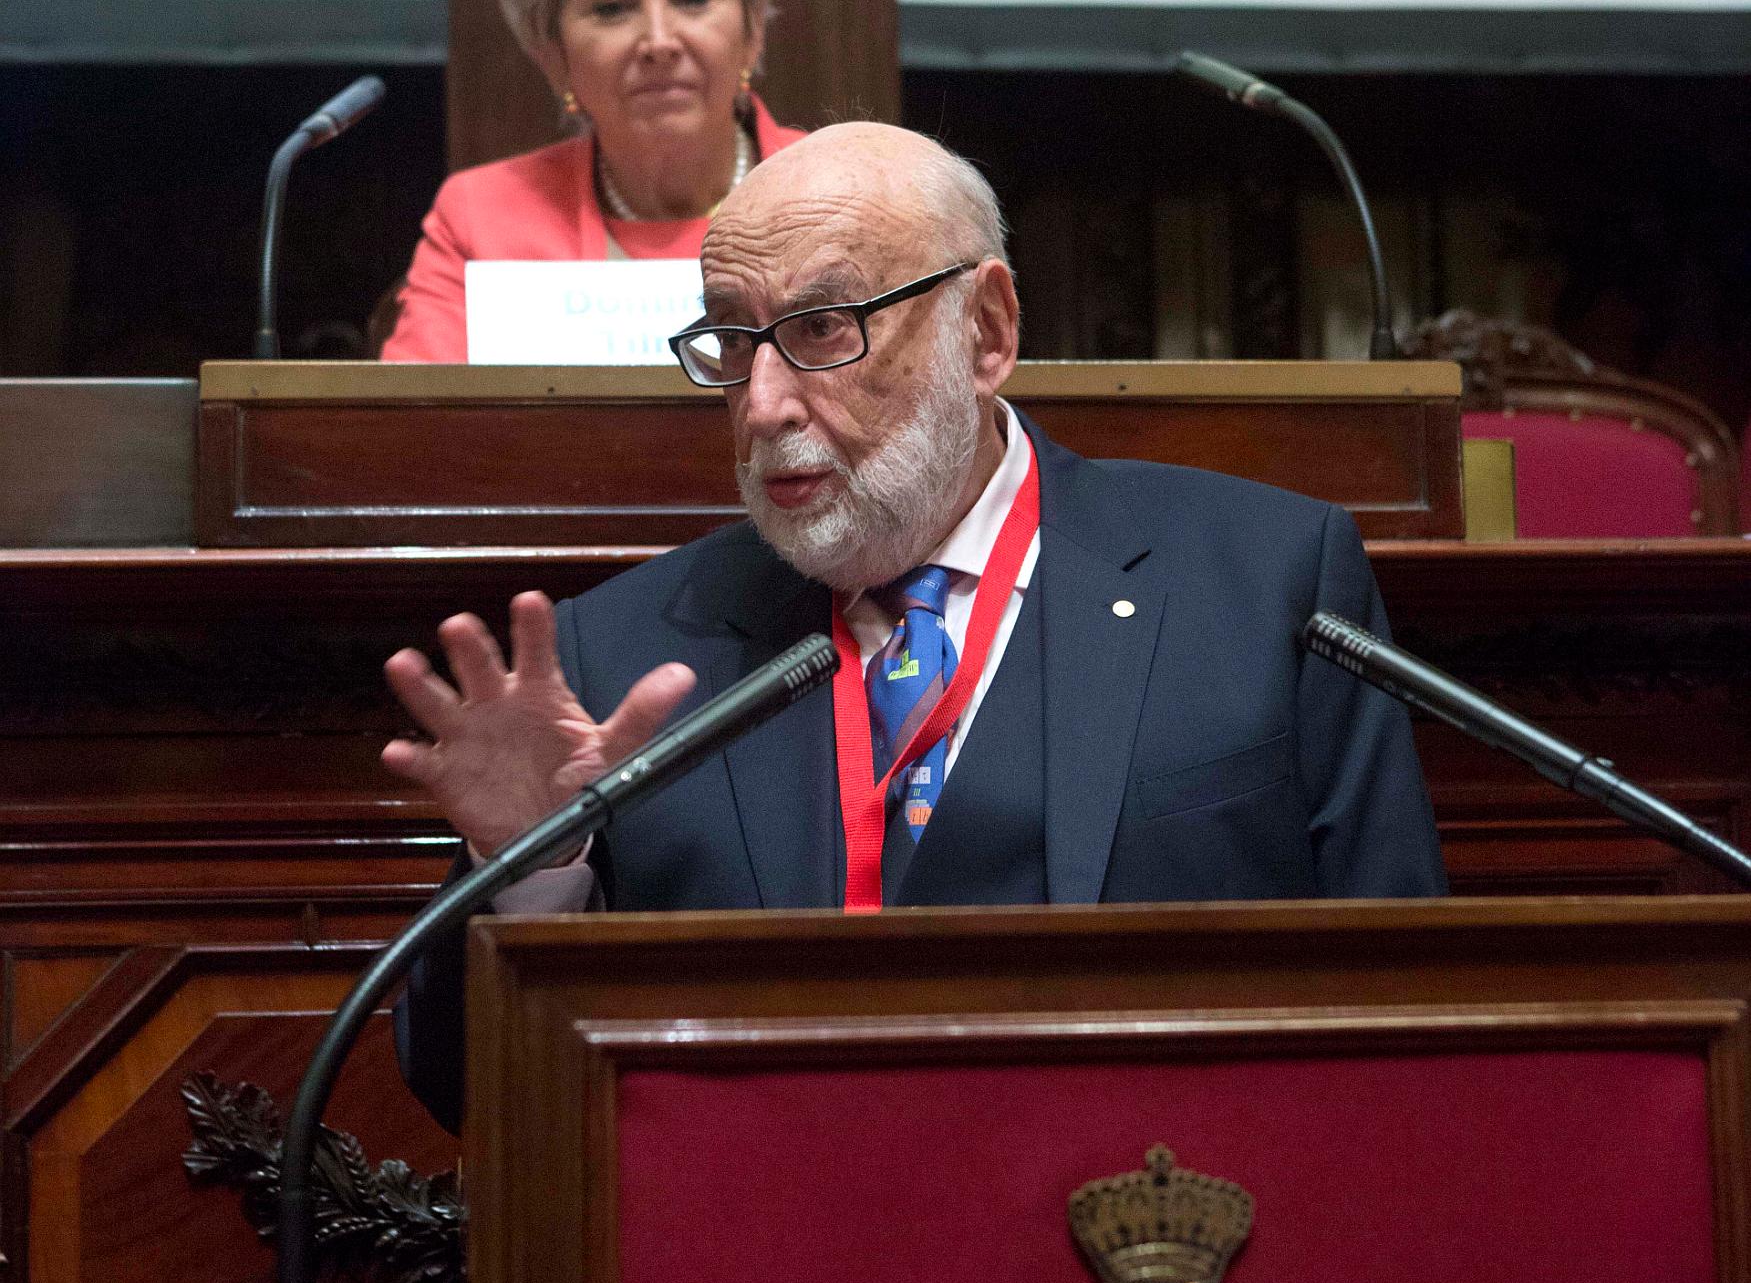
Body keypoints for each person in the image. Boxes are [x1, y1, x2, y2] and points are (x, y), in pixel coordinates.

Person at [386, 123, 1446, 1127]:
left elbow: (1410, 1019)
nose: (761, 405)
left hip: (1167, 1251)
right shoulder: (621, 658)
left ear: (985, 331)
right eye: (732, 340)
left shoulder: (1260, 582)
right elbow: (465, 1089)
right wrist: (530, 863)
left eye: (818, 330)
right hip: (776, 1272)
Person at [379, 0, 805, 362]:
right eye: (612, 8)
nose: (658, 40)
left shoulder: (846, 199)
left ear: (753, 29)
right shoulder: (482, 219)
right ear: (553, 55)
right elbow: (414, 429)